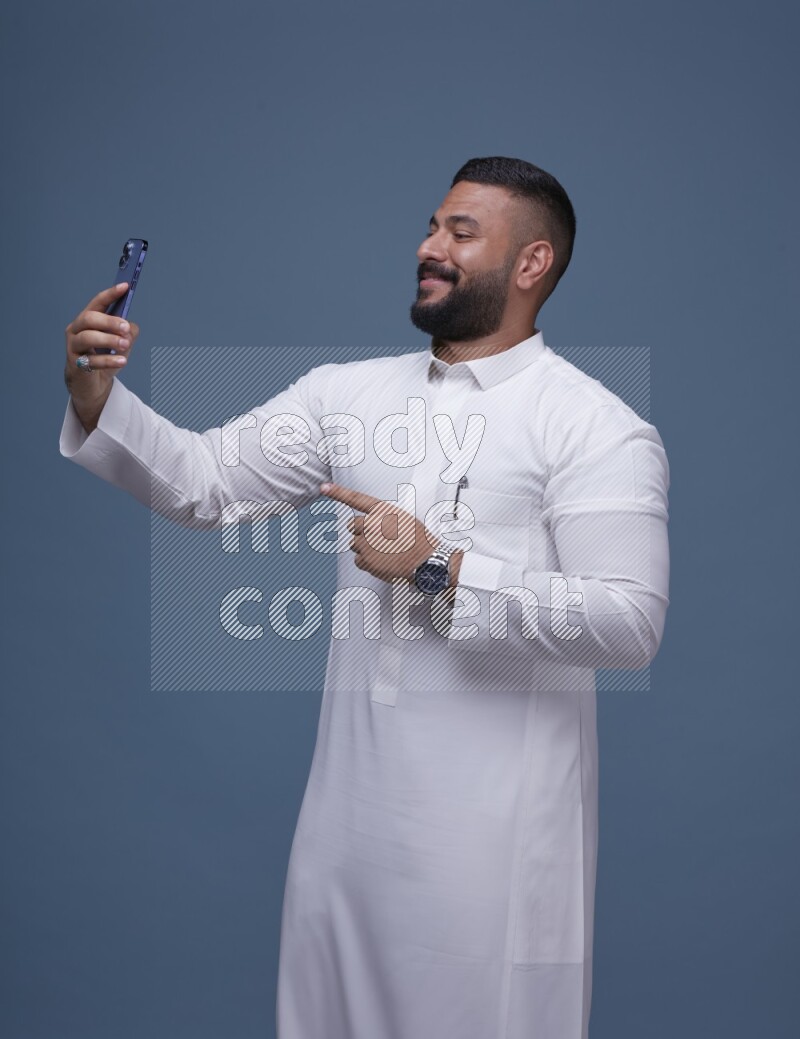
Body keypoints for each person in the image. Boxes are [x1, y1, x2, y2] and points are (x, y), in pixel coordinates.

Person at [60, 156, 670, 1039]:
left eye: (461, 232)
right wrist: (95, 392)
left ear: (531, 264)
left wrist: (437, 568)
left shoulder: (594, 424)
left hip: (490, 862)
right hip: (342, 844)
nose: (429, 246)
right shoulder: (346, 393)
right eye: (431, 226)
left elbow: (628, 621)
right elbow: (203, 483)